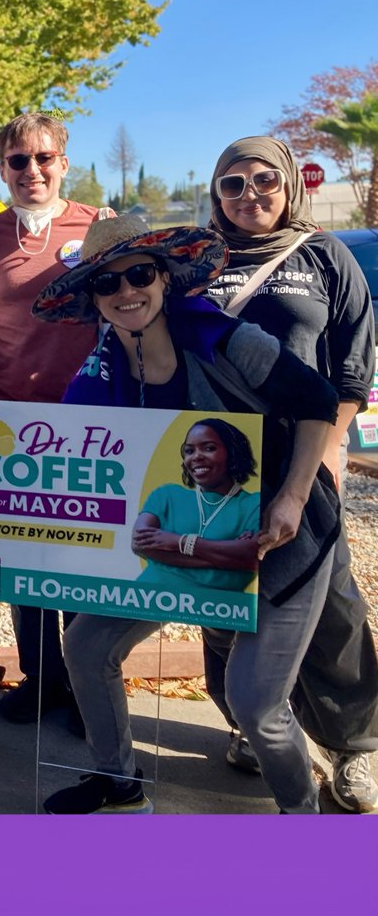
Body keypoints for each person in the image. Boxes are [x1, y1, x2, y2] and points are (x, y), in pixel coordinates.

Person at [32, 215, 340, 815]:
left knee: (254, 704)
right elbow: (66, 461)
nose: (126, 293)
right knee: (88, 647)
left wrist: (294, 496)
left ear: (166, 278)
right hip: (184, 538)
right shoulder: (95, 376)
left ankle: (303, 817)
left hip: (282, 536)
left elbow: (318, 401)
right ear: (92, 299)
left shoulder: (226, 341)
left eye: (139, 274)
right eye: (106, 284)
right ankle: (118, 785)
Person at [202, 136, 377, 812]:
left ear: (291, 185)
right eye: (233, 185)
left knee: (332, 613)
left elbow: (350, 377)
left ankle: (355, 748)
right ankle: (251, 725)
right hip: (214, 468)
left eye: (264, 180)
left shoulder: (325, 257)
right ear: (216, 195)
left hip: (305, 467)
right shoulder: (196, 260)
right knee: (220, 608)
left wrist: (313, 474)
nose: (251, 195)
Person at [0, 110, 110, 729]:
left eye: (44, 158)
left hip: (86, 421)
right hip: (7, 425)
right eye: (18, 161)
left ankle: (86, 685)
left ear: (64, 164)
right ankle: (40, 679)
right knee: (22, 562)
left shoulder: (98, 229)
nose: (32, 170)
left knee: (83, 556)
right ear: (3, 169)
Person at [132, 419, 261, 593]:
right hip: (145, 597)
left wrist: (178, 542)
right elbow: (139, 543)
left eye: (209, 448)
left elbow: (253, 556)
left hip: (221, 609)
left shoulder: (254, 504)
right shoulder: (167, 495)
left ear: (232, 452)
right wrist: (228, 559)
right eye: (189, 451)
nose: (196, 456)